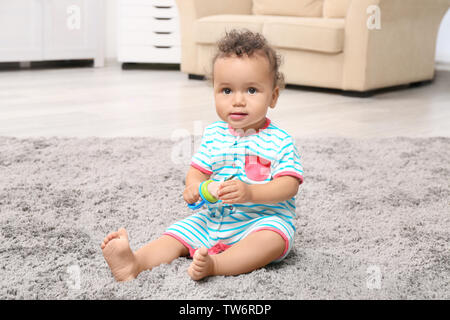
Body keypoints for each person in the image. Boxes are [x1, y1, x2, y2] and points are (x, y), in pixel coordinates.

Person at [101, 29, 304, 281]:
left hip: (261, 220)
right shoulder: (213, 134)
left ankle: (216, 265)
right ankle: (134, 262)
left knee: (271, 239)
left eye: (251, 90)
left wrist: (251, 192)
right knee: (177, 233)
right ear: (215, 92)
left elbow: (289, 185)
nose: (238, 101)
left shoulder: (279, 140)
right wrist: (193, 186)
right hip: (214, 219)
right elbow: (198, 171)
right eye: (227, 91)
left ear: (272, 97)